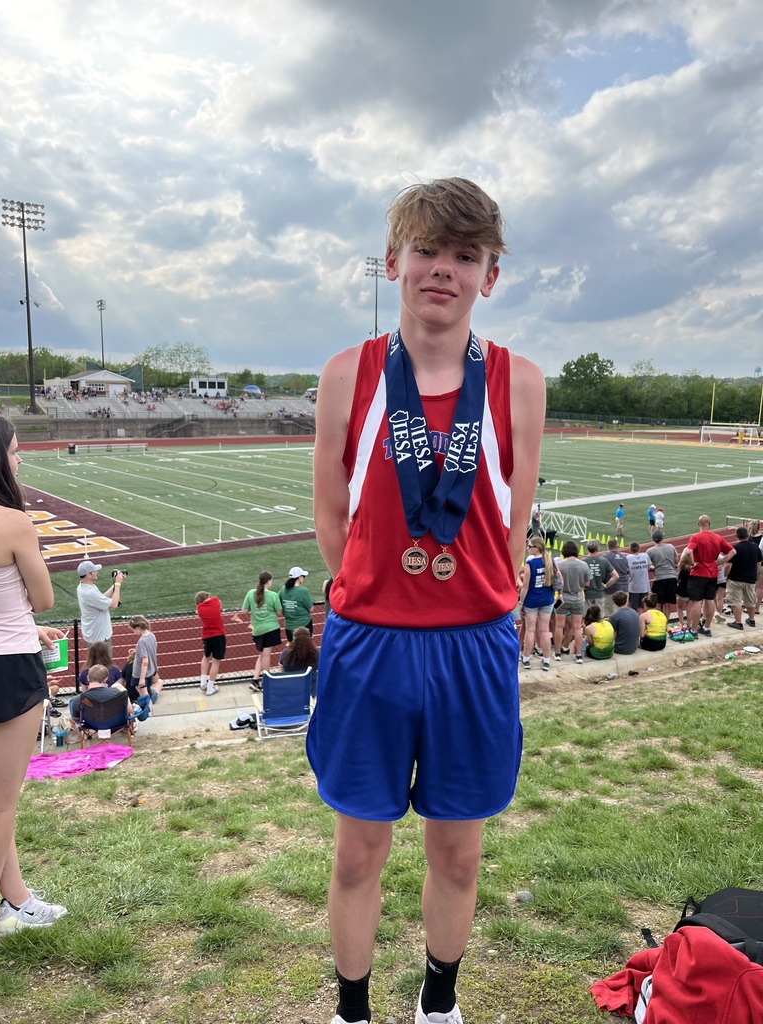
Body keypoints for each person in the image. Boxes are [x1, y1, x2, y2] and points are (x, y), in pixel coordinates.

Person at [306, 177, 545, 1024]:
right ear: (392, 262)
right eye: (427, 250)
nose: (444, 268)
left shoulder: (519, 382)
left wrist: (473, 602)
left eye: (465, 255)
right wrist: (381, 590)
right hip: (371, 642)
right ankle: (352, 1010)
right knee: (357, 853)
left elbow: (514, 525)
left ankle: (438, 1002)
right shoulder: (349, 374)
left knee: (459, 853)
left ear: (490, 277)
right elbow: (331, 520)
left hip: (473, 644)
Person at [0, 415, 67, 937]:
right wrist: (26, 621)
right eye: (15, 451)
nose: (19, 460)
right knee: (2, 804)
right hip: (10, 666)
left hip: (11, 644)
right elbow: (43, 598)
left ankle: (15, 901)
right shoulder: (14, 522)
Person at [686, 515, 734, 637]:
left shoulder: (695, 537)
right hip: (712, 573)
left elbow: (688, 551)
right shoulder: (718, 537)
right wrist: (719, 562)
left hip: (698, 572)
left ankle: (694, 629)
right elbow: (733, 552)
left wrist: (692, 563)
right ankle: (707, 627)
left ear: (698, 524)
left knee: (697, 601)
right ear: (709, 524)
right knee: (709, 600)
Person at [236, 572, 283, 687]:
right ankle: (266, 681)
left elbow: (244, 611)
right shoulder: (273, 595)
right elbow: (279, 612)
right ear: (269, 581)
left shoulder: (251, 593)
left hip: (257, 629)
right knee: (266, 655)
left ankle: (255, 679)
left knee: (262, 654)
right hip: (271, 628)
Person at [69, 663, 148, 727]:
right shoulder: (119, 693)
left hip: (91, 725)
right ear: (105, 679)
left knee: (72, 705)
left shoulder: (78, 699)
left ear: (88, 678)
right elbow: (129, 710)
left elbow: (77, 719)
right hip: (116, 724)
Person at [520, 536, 555, 671]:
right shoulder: (549, 559)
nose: (528, 548)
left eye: (530, 546)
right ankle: (546, 660)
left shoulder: (530, 562)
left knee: (530, 630)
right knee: (545, 630)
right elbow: (559, 579)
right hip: (547, 599)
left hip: (532, 600)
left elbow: (525, 586)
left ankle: (526, 658)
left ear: (537, 548)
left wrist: (521, 602)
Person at [76, 561, 125, 656]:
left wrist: (116, 583)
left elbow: (102, 598)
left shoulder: (85, 587)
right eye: (94, 571)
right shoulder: (89, 592)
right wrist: (118, 584)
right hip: (99, 638)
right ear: (88, 575)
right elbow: (114, 604)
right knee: (104, 664)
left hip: (94, 635)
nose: (96, 572)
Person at [553, 540, 590, 664]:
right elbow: (587, 583)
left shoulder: (560, 565)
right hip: (578, 597)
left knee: (559, 626)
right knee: (577, 627)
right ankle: (578, 654)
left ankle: (557, 652)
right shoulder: (584, 565)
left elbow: (555, 583)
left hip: (561, 598)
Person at [725, 526, 762, 630]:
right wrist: (754, 574)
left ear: (736, 536)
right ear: (748, 535)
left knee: (736, 601)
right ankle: (751, 619)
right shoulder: (755, 548)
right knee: (750, 600)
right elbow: (758, 564)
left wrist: (726, 575)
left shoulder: (735, 549)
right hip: (750, 578)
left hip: (736, 578)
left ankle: (738, 622)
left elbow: (728, 565)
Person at [195, 591, 226, 696]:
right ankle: (210, 687)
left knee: (206, 657)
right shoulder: (215, 601)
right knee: (216, 661)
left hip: (207, 636)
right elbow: (219, 602)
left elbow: (198, 609)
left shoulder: (199, 608)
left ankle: (203, 682)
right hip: (218, 635)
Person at [128, 615, 162, 703]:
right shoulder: (152, 635)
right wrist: (137, 652)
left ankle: (147, 707)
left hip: (140, 673)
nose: (134, 632)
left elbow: (145, 660)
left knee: (144, 695)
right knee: (145, 692)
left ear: (138, 627)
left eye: (134, 630)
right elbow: (150, 651)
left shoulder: (142, 641)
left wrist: (142, 678)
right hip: (150, 671)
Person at [647, 530, 678, 622]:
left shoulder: (650, 551)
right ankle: (665, 622)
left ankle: (658, 622)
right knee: (667, 603)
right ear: (662, 538)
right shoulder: (671, 547)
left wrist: (653, 567)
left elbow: (648, 564)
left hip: (659, 578)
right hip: (671, 577)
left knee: (657, 603)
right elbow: (676, 560)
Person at [279, 626, 320, 696]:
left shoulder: (286, 653)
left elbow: (283, 672)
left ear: (294, 639)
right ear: (309, 638)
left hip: (291, 691)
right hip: (311, 691)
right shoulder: (316, 653)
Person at [278, 567, 314, 641]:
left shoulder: (283, 589)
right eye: (303, 576)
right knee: (306, 645)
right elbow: (311, 609)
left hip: (289, 626)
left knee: (292, 646)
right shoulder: (303, 591)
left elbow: (277, 602)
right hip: (304, 624)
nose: (303, 578)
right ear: (299, 577)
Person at [583, 539, 618, 610]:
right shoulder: (604, 560)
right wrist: (606, 586)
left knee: (586, 615)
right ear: (597, 548)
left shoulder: (583, 562)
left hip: (587, 594)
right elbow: (616, 576)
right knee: (600, 615)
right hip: (599, 594)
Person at [602, 538, 629, 617]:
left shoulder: (605, 557)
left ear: (607, 546)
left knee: (609, 614)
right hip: (624, 587)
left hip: (611, 588)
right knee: (623, 613)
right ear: (617, 546)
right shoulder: (624, 557)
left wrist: (605, 585)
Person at [626, 541, 651, 611]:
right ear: (639, 548)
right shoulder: (645, 556)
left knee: (634, 608)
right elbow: (649, 568)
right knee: (643, 607)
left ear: (630, 550)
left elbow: (626, 570)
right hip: (644, 586)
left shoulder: (628, 558)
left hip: (633, 587)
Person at [676, 549, 693, 630]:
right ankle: (689, 624)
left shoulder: (683, 570)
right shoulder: (692, 569)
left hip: (683, 591)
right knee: (689, 609)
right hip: (691, 590)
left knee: (679, 607)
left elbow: (679, 580)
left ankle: (682, 623)